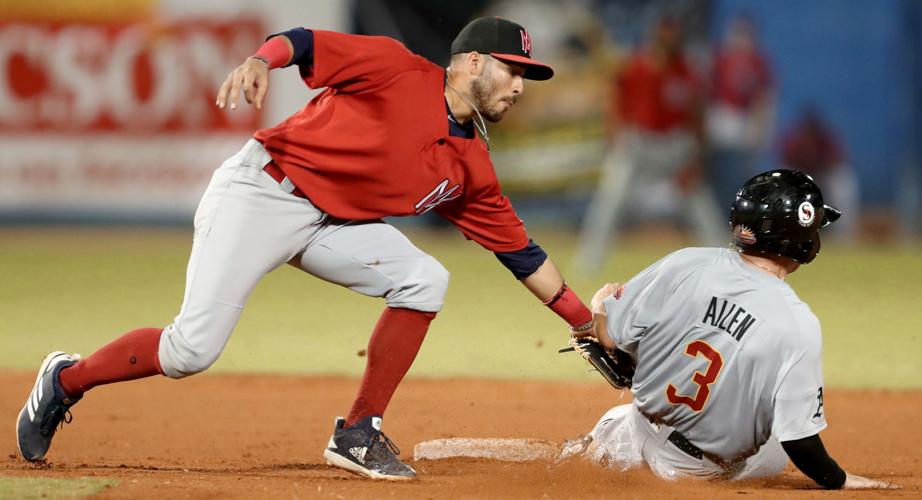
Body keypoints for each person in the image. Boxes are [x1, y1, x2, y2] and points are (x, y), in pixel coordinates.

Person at [16, 17, 596, 481]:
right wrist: (258, 60)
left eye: (526, 76)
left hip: (332, 224)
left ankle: (358, 431)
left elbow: (523, 256)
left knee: (425, 279)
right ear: (473, 63)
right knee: (190, 351)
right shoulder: (398, 69)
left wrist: (585, 323)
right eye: (512, 70)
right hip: (263, 192)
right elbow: (302, 42)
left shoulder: (471, 167)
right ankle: (65, 379)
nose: (519, 86)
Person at [562, 170, 897, 489]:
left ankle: (586, 453)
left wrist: (599, 305)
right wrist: (838, 479)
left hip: (631, 434)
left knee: (617, 418)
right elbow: (800, 440)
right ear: (799, 238)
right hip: (695, 472)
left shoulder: (687, 263)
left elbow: (607, 339)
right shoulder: (798, 323)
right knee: (776, 445)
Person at [574, 16, 724, 274]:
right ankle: (589, 262)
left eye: (674, 34)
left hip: (675, 145)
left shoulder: (686, 71)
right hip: (639, 142)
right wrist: (615, 138)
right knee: (611, 197)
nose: (670, 39)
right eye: (666, 33)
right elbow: (615, 103)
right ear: (656, 35)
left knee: (699, 202)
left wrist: (695, 159)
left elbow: (697, 117)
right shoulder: (636, 66)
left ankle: (725, 261)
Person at [706, 14, 776, 209]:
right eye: (739, 33)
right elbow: (707, 93)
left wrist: (761, 127)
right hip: (721, 119)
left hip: (747, 121)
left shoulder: (759, 62)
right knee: (721, 172)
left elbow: (765, 97)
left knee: (743, 175)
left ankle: (743, 213)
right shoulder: (721, 58)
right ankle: (722, 212)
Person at [780, 106, 858, 239]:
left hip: (823, 176)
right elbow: (787, 163)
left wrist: (819, 178)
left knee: (843, 181)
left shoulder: (825, 139)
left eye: (812, 129)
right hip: (800, 179)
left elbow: (835, 162)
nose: (809, 132)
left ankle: (843, 235)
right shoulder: (795, 141)